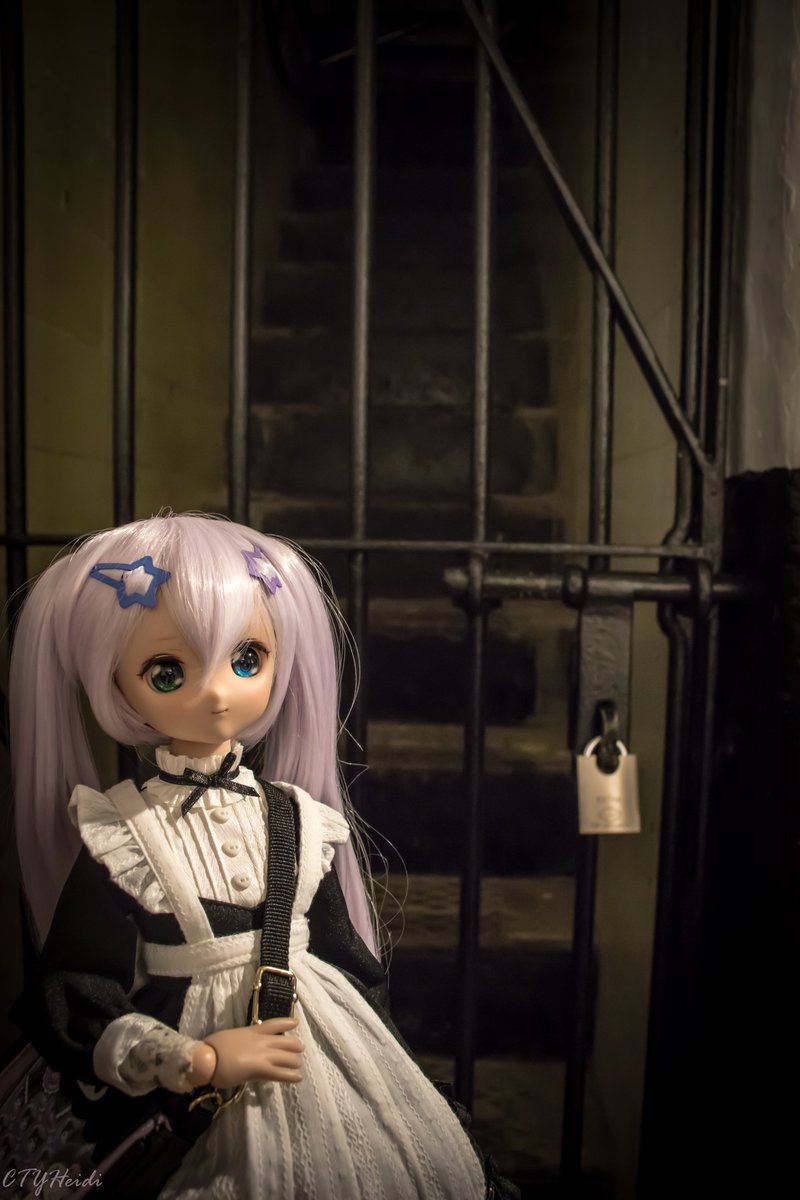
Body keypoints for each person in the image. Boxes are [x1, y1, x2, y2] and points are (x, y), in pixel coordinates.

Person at [8, 512, 502, 1199]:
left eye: (246, 660)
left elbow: (347, 961)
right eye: (167, 670)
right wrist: (192, 1058)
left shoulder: (297, 818)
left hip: (323, 1045)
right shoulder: (122, 832)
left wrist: (395, 1070)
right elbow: (76, 989)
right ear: (113, 681)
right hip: (196, 1073)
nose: (216, 692)